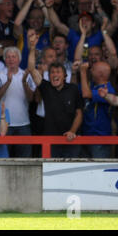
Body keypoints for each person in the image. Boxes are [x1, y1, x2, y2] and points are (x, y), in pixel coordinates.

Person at [28, 30, 84, 158]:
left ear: (65, 76)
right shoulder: (46, 87)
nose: (55, 75)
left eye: (58, 72)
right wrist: (32, 48)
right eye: (52, 72)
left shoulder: (73, 89)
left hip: (71, 140)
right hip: (50, 142)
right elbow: (31, 69)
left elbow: (79, 113)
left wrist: (72, 131)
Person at [0, 46, 35, 157]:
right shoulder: (0, 75)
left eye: (14, 57)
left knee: (25, 159)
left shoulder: (26, 75)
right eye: (8, 57)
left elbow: (31, 98)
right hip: (4, 124)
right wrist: (8, 81)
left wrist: (24, 82)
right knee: (3, 158)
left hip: (23, 123)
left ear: (19, 59)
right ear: (4, 59)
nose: (11, 59)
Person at [79, 61, 115, 158]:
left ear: (100, 74)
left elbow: (86, 94)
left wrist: (82, 72)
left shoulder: (108, 90)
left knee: (100, 171)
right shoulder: (93, 86)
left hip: (100, 139)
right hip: (86, 137)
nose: (90, 71)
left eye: (93, 69)